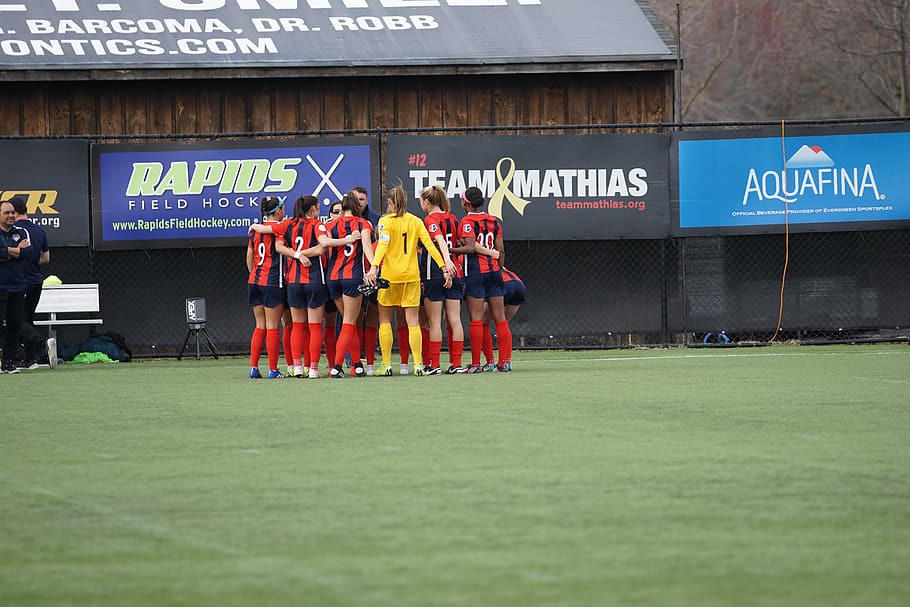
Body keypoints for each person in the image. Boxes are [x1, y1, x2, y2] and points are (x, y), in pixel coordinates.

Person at [364, 184, 455, 376]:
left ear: (390, 202)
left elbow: (383, 244)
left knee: (385, 320)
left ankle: (387, 365)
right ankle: (418, 365)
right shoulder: (415, 221)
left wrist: (374, 267)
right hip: (412, 276)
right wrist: (444, 267)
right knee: (413, 321)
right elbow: (430, 246)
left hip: (390, 277)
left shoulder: (385, 221)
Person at [250, 195, 326, 378]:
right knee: (293, 326)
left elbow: (251, 255)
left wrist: (253, 226)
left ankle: (259, 366)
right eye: (281, 209)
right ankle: (301, 368)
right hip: (281, 280)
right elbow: (323, 246)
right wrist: (300, 255)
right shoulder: (309, 225)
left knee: (266, 326)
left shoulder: (279, 226)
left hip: (260, 280)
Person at [452, 186, 513, 373]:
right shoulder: (494, 221)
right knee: (500, 319)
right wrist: (500, 268)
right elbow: (500, 250)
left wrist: (450, 250)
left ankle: (476, 363)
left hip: (475, 273)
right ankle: (505, 362)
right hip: (494, 272)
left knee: (476, 319)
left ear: (466, 203)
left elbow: (470, 248)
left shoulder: (466, 221)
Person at [319, 192, 374, 378]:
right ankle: (337, 366)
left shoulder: (331, 224)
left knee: (349, 323)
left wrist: (342, 241)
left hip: (333, 277)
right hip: (353, 277)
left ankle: (357, 364)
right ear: (357, 207)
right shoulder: (363, 224)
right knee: (350, 323)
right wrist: (373, 268)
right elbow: (367, 248)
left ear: (342, 208)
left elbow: (324, 243)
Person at [418, 184, 465, 374]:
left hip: (435, 273)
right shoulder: (453, 218)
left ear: (427, 202)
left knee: (434, 322)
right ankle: (456, 364)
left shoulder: (429, 220)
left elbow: (440, 240)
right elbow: (460, 242)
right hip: (456, 272)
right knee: (455, 320)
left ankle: (434, 365)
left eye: (421, 201)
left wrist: (445, 265)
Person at [10, 196, 55, 369]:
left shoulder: (14, 230)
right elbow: (45, 258)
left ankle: (42, 345)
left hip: (21, 281)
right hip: (36, 281)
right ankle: (31, 359)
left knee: (15, 319)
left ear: (13, 212)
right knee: (27, 318)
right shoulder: (39, 230)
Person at [246, 196, 287, 379]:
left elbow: (249, 256)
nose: (284, 211)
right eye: (283, 208)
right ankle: (273, 369)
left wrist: (254, 273)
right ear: (277, 211)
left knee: (259, 325)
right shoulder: (280, 228)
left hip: (254, 280)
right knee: (272, 326)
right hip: (271, 281)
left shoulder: (255, 232)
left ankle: (253, 367)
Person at [0, 200, 32, 374]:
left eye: (12, 212)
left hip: (18, 286)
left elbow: (28, 253)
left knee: (14, 325)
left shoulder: (21, 231)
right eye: (7, 213)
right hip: (1, 286)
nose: (11, 216)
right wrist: (15, 251)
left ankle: (9, 363)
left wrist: (7, 251)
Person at [352, 185, 381, 375]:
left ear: (367, 200)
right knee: (351, 318)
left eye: (362, 199)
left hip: (373, 271)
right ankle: (352, 357)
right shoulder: (344, 219)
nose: (359, 203)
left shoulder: (376, 219)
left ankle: (369, 358)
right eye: (356, 199)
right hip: (352, 273)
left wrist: (374, 268)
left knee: (373, 316)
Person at [482, 266, 525, 371]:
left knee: (483, 323)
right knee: (504, 323)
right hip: (518, 284)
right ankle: (506, 362)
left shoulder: (477, 261)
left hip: (503, 283)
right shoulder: (494, 259)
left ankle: (491, 363)